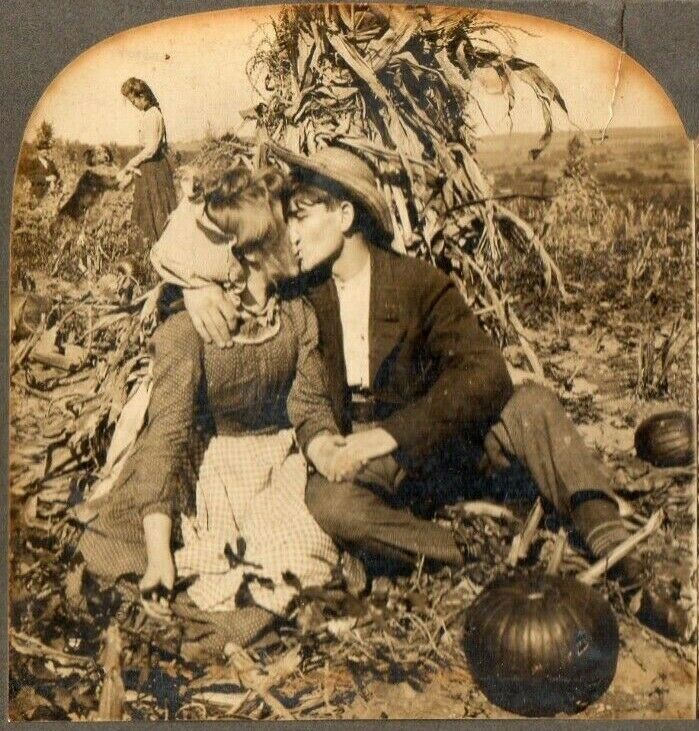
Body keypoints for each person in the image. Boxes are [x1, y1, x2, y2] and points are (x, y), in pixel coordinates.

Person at [184, 145, 687, 641]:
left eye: (300, 213)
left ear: (344, 215)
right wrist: (194, 287)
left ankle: (620, 556)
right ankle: (483, 551)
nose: (289, 232)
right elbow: (305, 387)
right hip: (365, 464)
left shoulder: (415, 282)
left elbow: (486, 373)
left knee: (532, 403)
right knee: (331, 504)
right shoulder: (303, 294)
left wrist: (389, 436)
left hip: (431, 444)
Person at [76, 164, 339, 654]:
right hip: (206, 469)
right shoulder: (186, 331)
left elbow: (308, 405)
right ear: (254, 251)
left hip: (278, 468)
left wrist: (328, 452)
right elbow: (167, 436)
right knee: (151, 556)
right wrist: (159, 554)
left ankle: (248, 604)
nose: (301, 238)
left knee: (294, 554)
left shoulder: (299, 314)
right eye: (291, 228)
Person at [119, 77, 177, 242]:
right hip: (150, 168)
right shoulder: (149, 114)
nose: (134, 105)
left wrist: (131, 163)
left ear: (143, 96)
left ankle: (155, 250)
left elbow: (151, 148)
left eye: (134, 101)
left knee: (156, 210)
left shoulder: (153, 115)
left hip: (153, 169)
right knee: (149, 210)